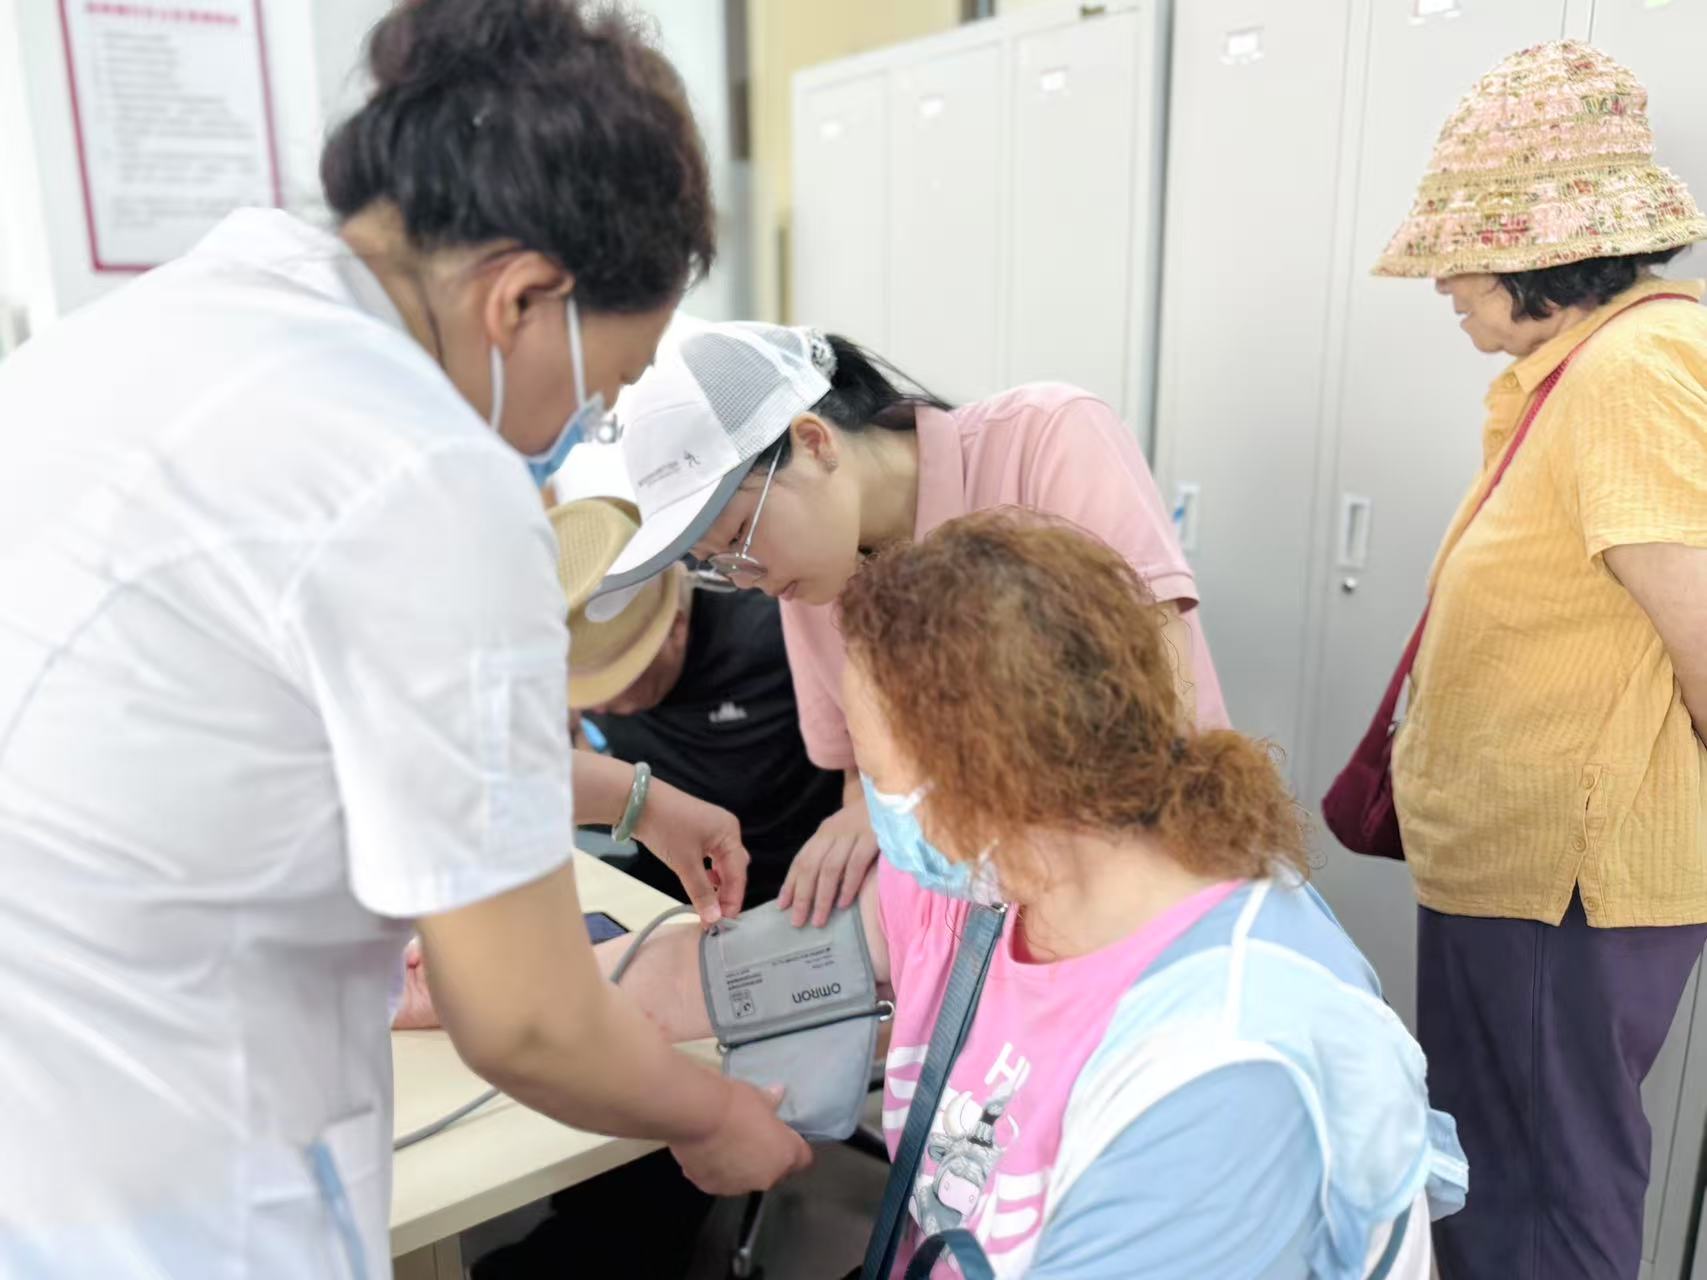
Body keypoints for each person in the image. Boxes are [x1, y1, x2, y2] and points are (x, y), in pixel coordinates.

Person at [0, 3, 809, 1275]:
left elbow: (294, 713)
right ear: (523, 297)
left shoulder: (166, 327)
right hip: (170, 1184)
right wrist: (712, 1116)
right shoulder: (425, 476)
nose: (581, 425)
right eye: (603, 386)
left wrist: (632, 794)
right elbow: (528, 1019)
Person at [554, 510, 1467, 1277]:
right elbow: (720, 978)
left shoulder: (1223, 1070)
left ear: (979, 773)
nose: (870, 805)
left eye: (875, 769)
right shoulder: (987, 879)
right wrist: (507, 995)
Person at [1372, 40, 1707, 1280]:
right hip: (1523, 875)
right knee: (1495, 1172)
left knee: (1541, 1192)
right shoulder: (1576, 372)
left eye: (1462, 249)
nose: (1442, 280)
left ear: (1540, 253)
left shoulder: (1631, 367)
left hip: (1569, 885)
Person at [598, 322, 1229, 927]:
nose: (744, 580)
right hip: (997, 928)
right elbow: (861, 780)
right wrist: (872, 819)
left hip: (1155, 880)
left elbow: (1162, 714)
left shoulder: (1046, 439)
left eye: (739, 536)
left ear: (814, 443)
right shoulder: (808, 583)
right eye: (717, 565)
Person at [552, 495, 844, 906]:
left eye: (613, 681)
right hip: (664, 886)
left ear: (673, 627)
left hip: (792, 892)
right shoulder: (575, 654)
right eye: (581, 688)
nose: (594, 707)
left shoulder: (775, 629)